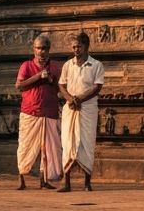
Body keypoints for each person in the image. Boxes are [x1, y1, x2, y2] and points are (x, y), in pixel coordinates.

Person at [58, 31, 104, 192]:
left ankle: (87, 182)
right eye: (74, 47)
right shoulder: (67, 65)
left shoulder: (96, 65)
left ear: (86, 46)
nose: (76, 50)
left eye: (79, 46)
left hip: (87, 109)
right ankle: (67, 182)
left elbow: (97, 87)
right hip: (70, 108)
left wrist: (79, 99)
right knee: (67, 143)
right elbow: (61, 85)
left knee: (87, 143)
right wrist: (70, 99)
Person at [15, 33, 62, 190]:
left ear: (49, 49)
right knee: (25, 146)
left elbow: (61, 89)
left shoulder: (55, 67)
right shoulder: (26, 66)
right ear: (33, 49)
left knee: (48, 149)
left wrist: (51, 81)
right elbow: (19, 86)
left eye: (44, 48)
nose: (41, 51)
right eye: (38, 48)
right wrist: (37, 77)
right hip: (30, 111)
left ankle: (44, 180)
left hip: (49, 111)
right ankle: (22, 179)